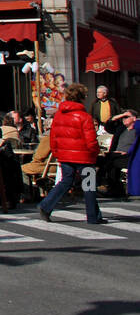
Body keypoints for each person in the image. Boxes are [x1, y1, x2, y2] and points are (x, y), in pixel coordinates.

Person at [39, 82, 106, 225]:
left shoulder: (59, 115)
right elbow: (91, 140)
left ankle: (46, 205)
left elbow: (53, 137)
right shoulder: (84, 116)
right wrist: (95, 152)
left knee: (65, 182)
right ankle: (93, 216)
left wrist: (57, 152)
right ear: (81, 98)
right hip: (84, 156)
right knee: (89, 186)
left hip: (65, 155)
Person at [99, 109, 137, 197]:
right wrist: (121, 115)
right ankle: (103, 185)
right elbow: (108, 125)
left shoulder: (137, 130)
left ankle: (112, 188)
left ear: (134, 118)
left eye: (126, 117)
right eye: (122, 117)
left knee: (112, 163)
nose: (124, 119)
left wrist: (126, 152)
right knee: (98, 160)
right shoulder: (120, 129)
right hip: (115, 155)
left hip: (129, 156)